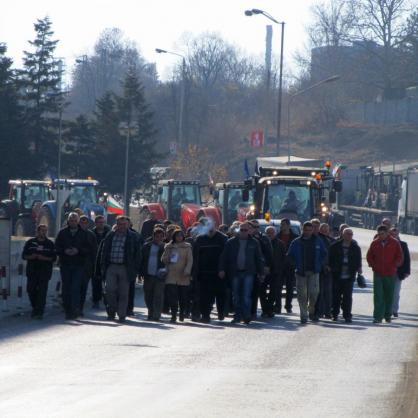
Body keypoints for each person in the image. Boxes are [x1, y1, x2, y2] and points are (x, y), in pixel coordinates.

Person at [219, 222, 264, 324]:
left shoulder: (254, 242)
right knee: (236, 296)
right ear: (239, 230)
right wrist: (221, 269)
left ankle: (246, 315)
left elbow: (259, 258)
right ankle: (237, 316)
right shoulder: (231, 242)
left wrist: (261, 273)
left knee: (246, 295)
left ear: (249, 231)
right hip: (235, 272)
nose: (243, 232)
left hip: (249, 272)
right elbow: (223, 257)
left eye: (245, 230)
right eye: (242, 230)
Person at [99, 216, 141, 323]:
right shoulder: (110, 235)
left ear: (128, 225)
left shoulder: (134, 237)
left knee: (123, 293)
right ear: (116, 224)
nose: (122, 226)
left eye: (124, 224)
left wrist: (135, 269)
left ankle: (122, 314)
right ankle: (112, 311)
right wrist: (103, 265)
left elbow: (138, 254)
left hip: (125, 268)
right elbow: (104, 251)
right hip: (111, 266)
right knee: (109, 290)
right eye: (120, 224)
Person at [287, 221, 327, 324]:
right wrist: (295, 265)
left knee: (314, 294)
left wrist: (320, 264)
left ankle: (311, 309)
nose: (308, 232)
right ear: (303, 230)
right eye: (306, 230)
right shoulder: (296, 242)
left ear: (312, 230)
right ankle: (303, 316)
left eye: (310, 230)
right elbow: (289, 256)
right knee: (302, 295)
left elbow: (324, 254)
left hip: (314, 272)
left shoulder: (318, 241)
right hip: (301, 273)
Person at [55, 212, 91, 320]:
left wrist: (78, 250)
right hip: (65, 264)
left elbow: (89, 249)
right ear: (68, 221)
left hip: (79, 264)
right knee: (66, 288)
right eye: (71, 220)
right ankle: (67, 310)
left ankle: (75, 309)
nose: (73, 222)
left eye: (75, 220)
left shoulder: (84, 234)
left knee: (75, 288)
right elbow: (56, 247)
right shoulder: (62, 233)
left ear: (78, 221)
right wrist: (64, 251)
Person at [366, 225, 403, 324]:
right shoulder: (375, 243)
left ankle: (387, 315)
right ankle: (377, 317)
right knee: (378, 295)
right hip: (378, 273)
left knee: (389, 295)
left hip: (390, 273)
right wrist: (374, 266)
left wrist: (395, 265)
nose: (380, 236)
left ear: (387, 233)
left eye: (382, 234)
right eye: (379, 234)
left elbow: (399, 256)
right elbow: (369, 256)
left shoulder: (395, 243)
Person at [193, 221, 228, 323]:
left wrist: (223, 269)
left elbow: (225, 256)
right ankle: (205, 315)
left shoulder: (223, 238)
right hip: (204, 272)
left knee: (220, 294)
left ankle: (221, 312)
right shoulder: (200, 239)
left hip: (218, 272)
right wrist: (196, 271)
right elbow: (196, 257)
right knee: (204, 295)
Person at [22, 224, 56, 319]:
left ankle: (39, 312)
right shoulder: (30, 242)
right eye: (42, 230)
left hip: (44, 272)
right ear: (37, 231)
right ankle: (35, 307)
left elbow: (54, 258)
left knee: (42, 292)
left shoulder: (50, 244)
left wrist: (44, 258)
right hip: (32, 271)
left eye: (45, 230)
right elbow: (24, 256)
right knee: (30, 290)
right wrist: (31, 257)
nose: (44, 232)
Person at [328, 228, 362, 323]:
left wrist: (359, 268)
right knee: (336, 296)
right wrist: (330, 267)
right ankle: (334, 314)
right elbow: (329, 259)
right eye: (347, 234)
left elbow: (358, 260)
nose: (349, 236)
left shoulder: (356, 247)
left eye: (351, 234)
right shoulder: (335, 246)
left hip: (349, 276)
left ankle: (347, 315)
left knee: (347, 297)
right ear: (342, 235)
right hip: (337, 275)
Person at [162, 229, 193, 323]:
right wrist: (169, 257)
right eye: (177, 236)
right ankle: (174, 315)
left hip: (183, 275)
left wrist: (187, 271)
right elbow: (163, 259)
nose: (179, 237)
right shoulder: (169, 247)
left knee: (183, 297)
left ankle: (182, 313)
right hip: (171, 274)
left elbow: (190, 260)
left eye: (180, 236)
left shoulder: (187, 247)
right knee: (172, 296)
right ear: (174, 237)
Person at [140, 228, 166, 321]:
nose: (158, 238)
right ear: (153, 236)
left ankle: (156, 314)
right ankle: (150, 312)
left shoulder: (166, 247)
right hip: (148, 274)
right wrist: (141, 273)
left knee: (158, 295)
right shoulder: (146, 246)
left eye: (161, 236)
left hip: (160, 275)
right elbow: (141, 260)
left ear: (163, 237)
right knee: (148, 295)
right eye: (157, 236)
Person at [260, 226, 286, 318]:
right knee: (262, 291)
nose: (269, 234)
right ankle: (265, 309)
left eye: (271, 232)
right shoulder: (261, 242)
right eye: (268, 232)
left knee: (273, 291)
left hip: (275, 271)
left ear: (275, 234)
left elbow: (284, 258)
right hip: (263, 271)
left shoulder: (280, 244)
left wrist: (281, 269)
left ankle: (270, 309)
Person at [249, 220, 272, 319]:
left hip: (261, 268)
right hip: (250, 268)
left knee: (261, 290)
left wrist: (267, 266)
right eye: (254, 227)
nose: (256, 229)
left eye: (257, 227)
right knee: (251, 291)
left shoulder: (264, 238)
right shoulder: (247, 237)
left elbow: (269, 253)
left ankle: (266, 310)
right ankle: (251, 311)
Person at [313, 220, 335, 319]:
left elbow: (330, 254)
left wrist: (330, 266)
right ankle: (318, 311)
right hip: (315, 269)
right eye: (322, 230)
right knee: (317, 292)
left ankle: (327, 311)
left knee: (327, 292)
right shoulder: (310, 238)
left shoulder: (328, 240)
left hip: (326, 270)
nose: (324, 232)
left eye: (326, 230)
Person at [277, 218, 298, 313]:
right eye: (281, 224)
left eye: (284, 224)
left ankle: (288, 306)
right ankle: (277, 306)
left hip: (290, 266)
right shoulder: (277, 236)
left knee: (290, 287)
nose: (282, 226)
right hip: (279, 265)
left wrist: (295, 263)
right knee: (278, 286)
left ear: (288, 225)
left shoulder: (295, 237)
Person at [389, 227, 411, 318]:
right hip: (387, 271)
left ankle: (394, 310)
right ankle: (387, 310)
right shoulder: (386, 243)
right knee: (387, 291)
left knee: (396, 292)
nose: (394, 236)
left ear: (398, 234)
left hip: (399, 272)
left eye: (396, 234)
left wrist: (407, 271)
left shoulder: (403, 244)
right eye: (392, 234)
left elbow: (407, 259)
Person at [79, 215, 98, 316]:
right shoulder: (74, 233)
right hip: (74, 265)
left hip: (86, 266)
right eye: (81, 222)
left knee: (83, 289)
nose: (83, 224)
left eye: (85, 223)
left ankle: (79, 308)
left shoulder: (91, 235)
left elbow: (94, 251)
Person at [92, 215, 111, 308]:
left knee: (107, 283)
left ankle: (107, 300)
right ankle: (96, 300)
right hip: (94, 261)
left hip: (105, 261)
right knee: (95, 282)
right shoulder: (91, 233)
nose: (101, 224)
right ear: (95, 223)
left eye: (102, 222)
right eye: (99, 222)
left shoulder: (109, 234)